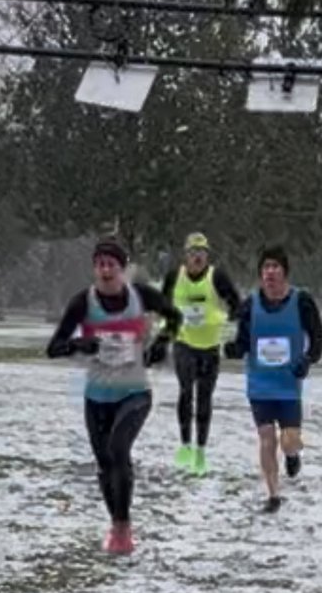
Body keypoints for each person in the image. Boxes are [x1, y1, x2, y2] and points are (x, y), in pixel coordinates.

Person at [47, 236, 181, 555]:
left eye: (111, 264)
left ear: (122, 269)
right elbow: (54, 348)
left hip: (134, 392)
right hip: (96, 396)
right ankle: (117, 524)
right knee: (105, 462)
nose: (105, 270)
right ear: (94, 269)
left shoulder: (141, 296)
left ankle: (123, 529)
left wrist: (161, 342)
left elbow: (175, 318)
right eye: (100, 264)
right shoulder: (83, 302)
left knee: (118, 448)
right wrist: (78, 345)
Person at [224, 244, 322, 513]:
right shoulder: (250, 305)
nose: (270, 272)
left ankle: (293, 455)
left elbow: (318, 336)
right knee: (266, 438)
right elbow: (243, 340)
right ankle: (273, 495)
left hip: (288, 385)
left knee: (289, 440)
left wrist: (308, 359)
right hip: (260, 384)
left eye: (275, 267)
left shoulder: (301, 301)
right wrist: (234, 349)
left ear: (284, 272)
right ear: (260, 274)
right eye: (265, 267)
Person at [159, 232, 241, 475]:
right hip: (184, 343)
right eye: (193, 253)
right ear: (186, 255)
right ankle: (185, 444)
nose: (197, 257)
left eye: (202, 253)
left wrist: (228, 323)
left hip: (210, 346)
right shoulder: (175, 277)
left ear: (207, 256)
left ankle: (200, 451)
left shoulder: (218, 276)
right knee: (186, 392)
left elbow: (237, 303)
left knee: (204, 398)